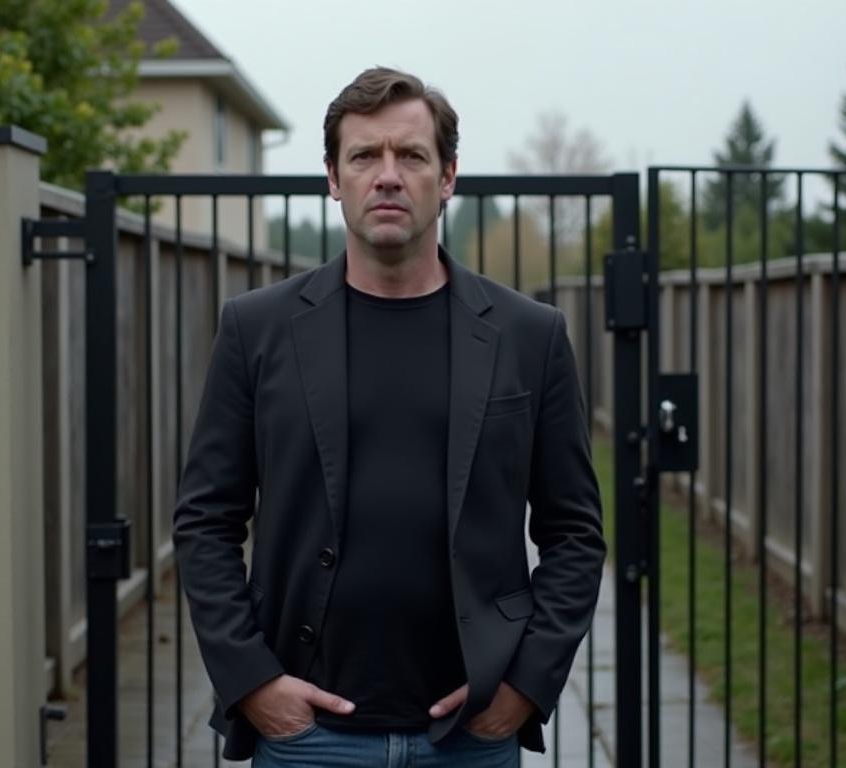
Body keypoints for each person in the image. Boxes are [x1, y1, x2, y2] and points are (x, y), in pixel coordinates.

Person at [173, 67, 605, 767]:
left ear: (449, 176)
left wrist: (525, 686)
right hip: (308, 738)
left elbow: (575, 534)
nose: (388, 175)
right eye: (365, 156)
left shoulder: (531, 335)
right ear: (333, 178)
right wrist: (254, 683)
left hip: (472, 736)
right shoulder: (257, 329)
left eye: (411, 155)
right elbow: (204, 521)